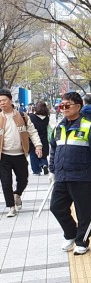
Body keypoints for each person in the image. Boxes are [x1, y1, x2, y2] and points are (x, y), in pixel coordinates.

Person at [49, 92, 91, 255]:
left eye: (68, 105)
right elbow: (54, 149)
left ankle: (83, 240)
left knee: (84, 211)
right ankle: (71, 233)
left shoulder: (89, 127)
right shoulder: (58, 127)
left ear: (78, 106)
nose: (64, 108)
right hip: (61, 176)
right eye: (62, 106)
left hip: (82, 176)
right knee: (56, 207)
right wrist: (52, 170)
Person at [0, 89, 44, 217]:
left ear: (10, 100)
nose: (1, 103)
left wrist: (38, 146)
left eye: (4, 100)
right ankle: (11, 207)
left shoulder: (23, 116)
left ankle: (17, 194)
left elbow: (32, 132)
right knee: (5, 182)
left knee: (23, 180)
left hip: (20, 154)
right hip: (4, 155)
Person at [28, 101, 51, 175]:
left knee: (33, 155)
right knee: (43, 154)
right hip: (44, 138)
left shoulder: (32, 117)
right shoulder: (47, 118)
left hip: (33, 139)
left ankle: (36, 170)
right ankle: (44, 164)